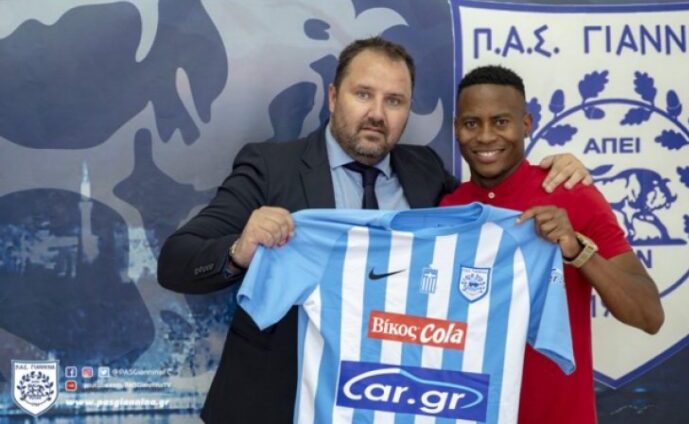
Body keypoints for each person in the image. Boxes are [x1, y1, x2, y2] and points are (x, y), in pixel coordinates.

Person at [157, 38, 591, 423]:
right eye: (363, 94)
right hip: (277, 405)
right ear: (333, 97)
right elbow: (177, 261)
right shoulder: (271, 168)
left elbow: (488, 218)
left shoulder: (425, 172)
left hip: (391, 404)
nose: (377, 114)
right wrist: (240, 249)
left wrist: (549, 171)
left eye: (394, 101)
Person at [440, 65, 665, 424]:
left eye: (501, 122)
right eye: (471, 123)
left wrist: (577, 249)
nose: (485, 136)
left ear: (526, 123)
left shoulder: (573, 194)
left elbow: (649, 315)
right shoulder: (447, 209)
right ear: (456, 128)